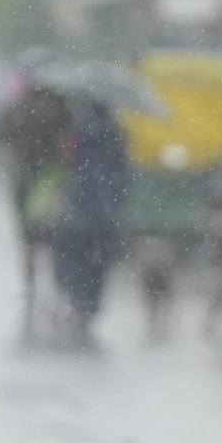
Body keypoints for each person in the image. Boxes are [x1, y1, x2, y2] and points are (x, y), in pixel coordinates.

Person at [0, 85, 71, 327]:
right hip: (51, 181)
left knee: (29, 241)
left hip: (24, 182)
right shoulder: (61, 108)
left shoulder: (18, 109)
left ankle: (31, 290)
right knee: (55, 240)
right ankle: (57, 292)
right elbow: (70, 144)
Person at [53, 98, 130, 336]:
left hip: (79, 204)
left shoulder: (78, 131)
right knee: (98, 260)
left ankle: (75, 299)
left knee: (74, 255)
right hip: (105, 210)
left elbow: (65, 162)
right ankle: (90, 305)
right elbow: (123, 173)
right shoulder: (116, 134)